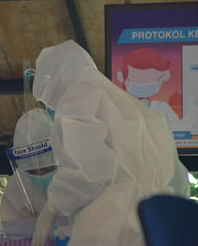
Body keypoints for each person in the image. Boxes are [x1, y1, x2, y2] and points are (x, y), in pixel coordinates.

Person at [30, 40, 191, 246]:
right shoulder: (144, 112)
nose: (52, 107)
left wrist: (54, 205)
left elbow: (93, 171)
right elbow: (179, 182)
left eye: (49, 100)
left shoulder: (78, 97)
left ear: (55, 87)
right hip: (162, 222)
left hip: (113, 222)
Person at [1, 108, 58, 221]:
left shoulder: (80, 176)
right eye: (32, 172)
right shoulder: (16, 190)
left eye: (49, 169)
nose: (41, 175)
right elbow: (15, 233)